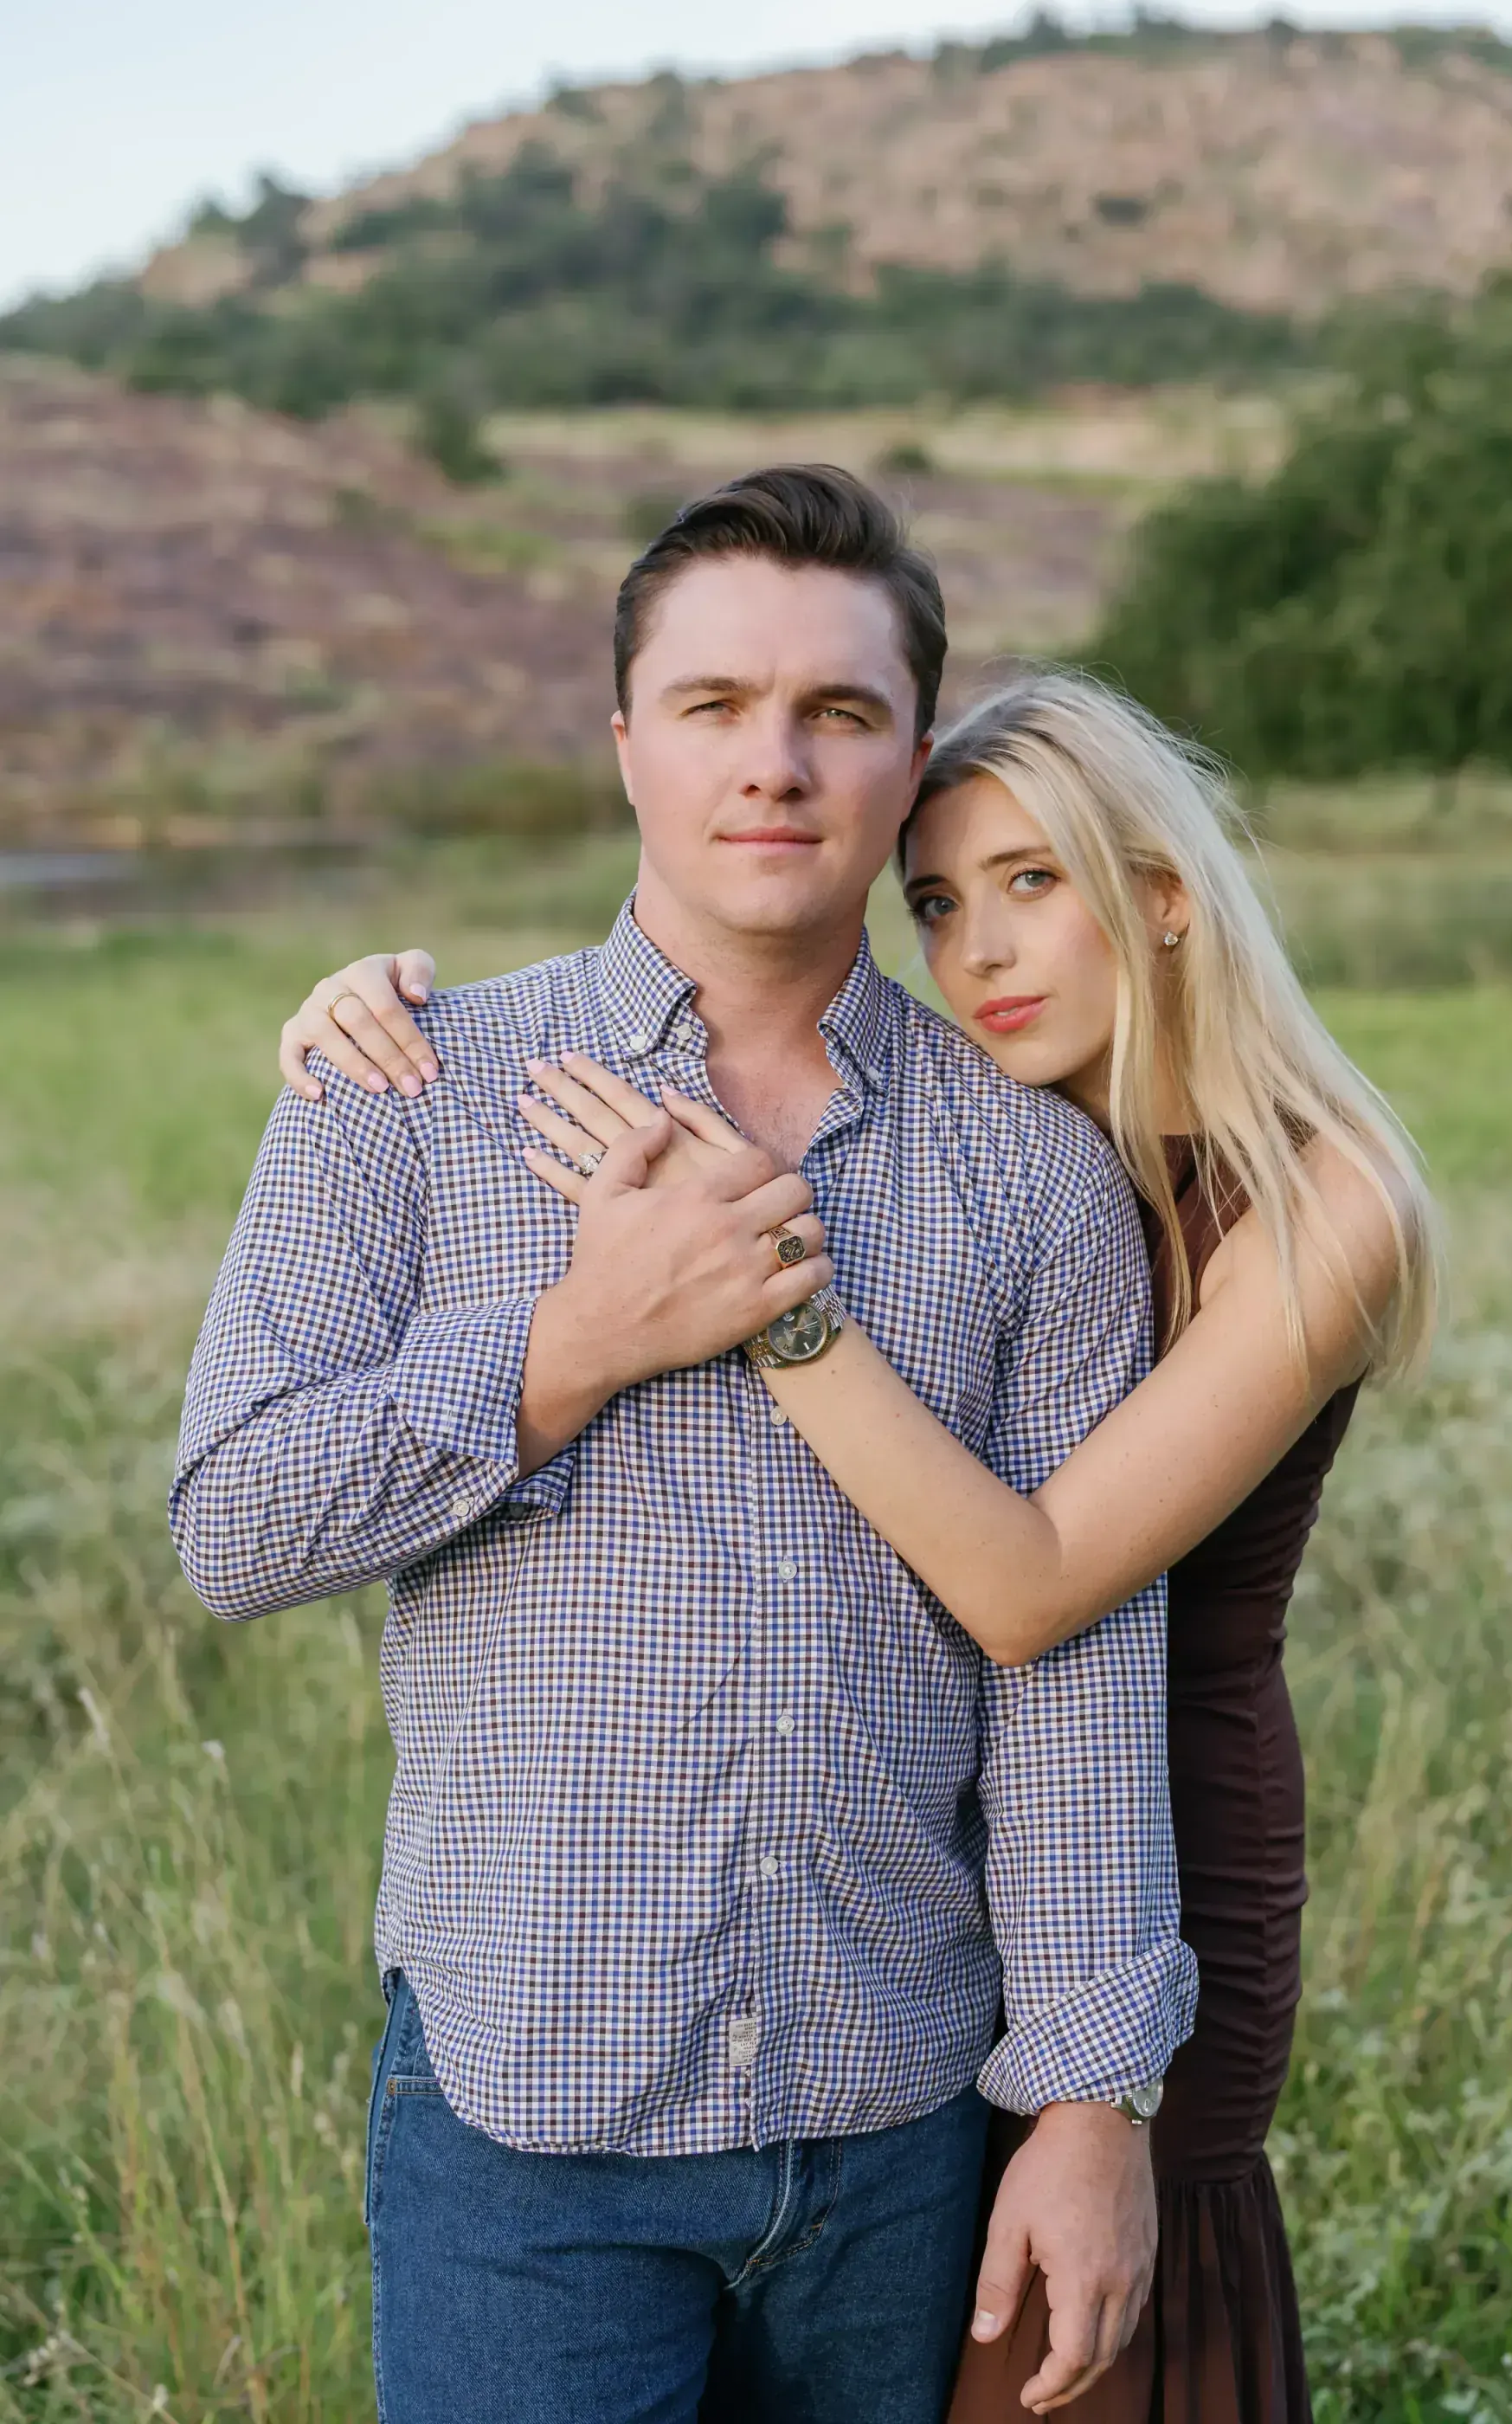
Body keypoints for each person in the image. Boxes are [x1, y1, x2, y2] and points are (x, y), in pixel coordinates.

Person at [286, 671, 1439, 2424]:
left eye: (1034, 881)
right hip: (916, 1874)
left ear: (1167, 894)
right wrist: (386, 1012)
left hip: (1155, 1839)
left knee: (1067, 2363)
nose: (981, 952)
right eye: (940, 903)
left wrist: (762, 1300)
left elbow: (1036, 1581)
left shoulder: (1323, 1199)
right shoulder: (1022, 1148)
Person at [174, 467, 1197, 2424]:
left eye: (839, 714)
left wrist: (1088, 2101)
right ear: (627, 741)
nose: (776, 766)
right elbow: (235, 1526)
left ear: (913, 763)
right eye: (717, 707)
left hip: (898, 2127)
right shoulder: (404, 1090)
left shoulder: (1034, 1178)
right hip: (525, 2127)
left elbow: (1068, 1656)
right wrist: (571, 1348)